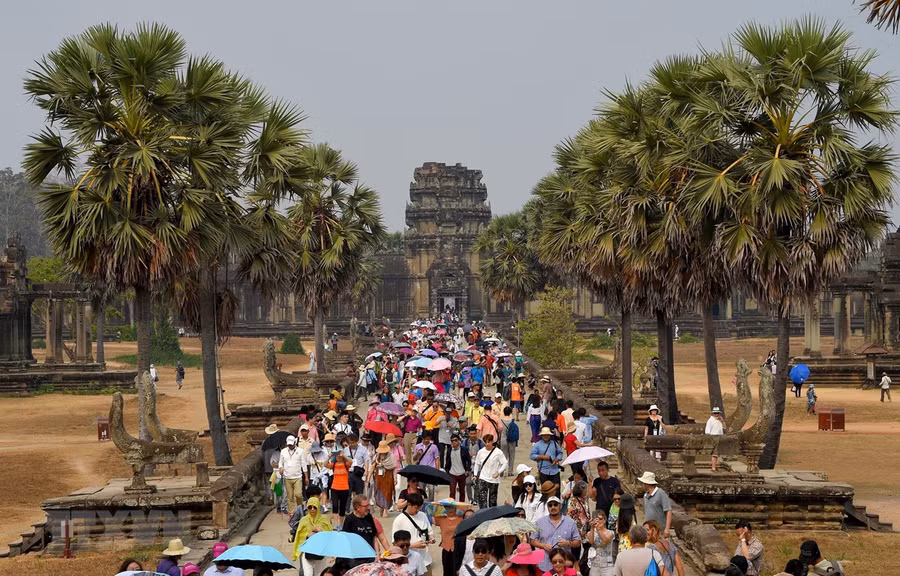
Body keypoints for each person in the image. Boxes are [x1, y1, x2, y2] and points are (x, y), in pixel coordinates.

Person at [529, 496, 581, 572]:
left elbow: (578, 542)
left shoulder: (570, 522)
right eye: (550, 505)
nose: (553, 507)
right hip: (545, 565)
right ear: (547, 507)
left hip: (564, 565)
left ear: (560, 506)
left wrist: (568, 543)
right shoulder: (539, 522)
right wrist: (543, 545)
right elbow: (532, 540)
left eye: (555, 504)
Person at [392, 493, 435, 575]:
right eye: (416, 508)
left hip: (425, 560)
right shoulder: (399, 520)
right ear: (409, 505)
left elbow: (429, 532)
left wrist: (431, 539)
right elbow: (395, 544)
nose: (418, 510)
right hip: (408, 563)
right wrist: (413, 545)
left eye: (420, 508)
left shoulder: (423, 516)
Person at [291, 497, 332, 574]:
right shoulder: (303, 520)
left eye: (315, 507)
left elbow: (330, 535)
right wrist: (307, 535)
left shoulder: (324, 519)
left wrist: (320, 531)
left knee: (320, 574)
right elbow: (299, 536)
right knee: (307, 574)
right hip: (307, 551)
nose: (312, 509)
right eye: (310, 507)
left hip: (321, 552)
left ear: (318, 507)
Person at [433, 500, 471, 576]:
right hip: (446, 548)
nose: (450, 510)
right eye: (447, 508)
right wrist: (438, 504)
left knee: (457, 570)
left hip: (458, 548)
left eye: (452, 508)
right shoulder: (441, 519)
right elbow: (432, 514)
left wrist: (457, 504)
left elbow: (468, 509)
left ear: (456, 508)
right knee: (446, 571)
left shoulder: (461, 519)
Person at [638, 472, 672, 539]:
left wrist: (667, 528)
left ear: (647, 484)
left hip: (659, 530)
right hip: (648, 531)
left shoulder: (661, 494)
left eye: (643, 483)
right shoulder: (645, 496)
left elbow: (668, 511)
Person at [531, 428, 564, 496]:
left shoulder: (554, 443)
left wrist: (557, 459)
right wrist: (542, 457)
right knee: (545, 491)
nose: (546, 436)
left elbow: (560, 453)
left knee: (557, 491)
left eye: (547, 435)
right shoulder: (537, 445)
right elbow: (532, 456)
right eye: (544, 435)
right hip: (543, 471)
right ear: (542, 436)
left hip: (554, 471)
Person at [326, 443, 352, 525]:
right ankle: (336, 524)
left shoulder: (345, 464)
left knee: (342, 507)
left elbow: (351, 462)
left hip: (344, 488)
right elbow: (325, 465)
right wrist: (329, 457)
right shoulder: (334, 465)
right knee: (335, 506)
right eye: (337, 455)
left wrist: (343, 455)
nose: (338, 457)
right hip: (335, 488)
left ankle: (341, 524)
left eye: (339, 455)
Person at [279, 435, 306, 511]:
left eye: (292, 444)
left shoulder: (300, 451)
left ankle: (300, 508)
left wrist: (306, 476)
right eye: (289, 444)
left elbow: (303, 464)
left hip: (297, 476)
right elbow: (280, 462)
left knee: (298, 495)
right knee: (290, 496)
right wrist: (281, 468)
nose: (290, 446)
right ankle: (291, 512)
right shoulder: (283, 451)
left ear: (295, 442)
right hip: (287, 477)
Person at [371, 440, 397, 516]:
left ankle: (386, 509)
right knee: (378, 492)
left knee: (387, 493)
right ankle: (381, 508)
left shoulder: (391, 456)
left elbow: (394, 467)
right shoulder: (376, 456)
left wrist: (395, 478)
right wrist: (368, 477)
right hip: (378, 478)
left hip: (388, 477)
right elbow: (373, 466)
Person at [586, 510, 615, 576]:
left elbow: (605, 540)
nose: (598, 521)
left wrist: (598, 529)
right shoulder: (590, 532)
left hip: (607, 566)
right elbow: (591, 541)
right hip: (594, 566)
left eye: (600, 519)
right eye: (596, 519)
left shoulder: (610, 533)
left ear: (604, 520)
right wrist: (592, 528)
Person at [444, 434, 472, 502]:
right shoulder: (449, 450)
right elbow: (447, 462)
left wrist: (467, 470)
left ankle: (461, 507)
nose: (454, 442)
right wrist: (447, 472)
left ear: (459, 441)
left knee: (462, 492)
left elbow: (469, 461)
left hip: (462, 474)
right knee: (452, 492)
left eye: (455, 440)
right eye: (452, 441)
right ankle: (452, 507)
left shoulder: (464, 450)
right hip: (452, 474)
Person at [463, 425, 485, 503]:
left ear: (476, 434)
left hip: (478, 466)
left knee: (477, 484)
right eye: (471, 434)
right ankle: (470, 499)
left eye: (474, 434)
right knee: (468, 483)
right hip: (468, 466)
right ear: (469, 434)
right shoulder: (465, 442)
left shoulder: (480, 443)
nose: (473, 435)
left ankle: (475, 499)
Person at [704, 407, 725, 472]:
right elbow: (707, 431)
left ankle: (714, 467)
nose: (716, 414)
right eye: (715, 413)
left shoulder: (719, 420)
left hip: (719, 438)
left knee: (716, 454)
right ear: (713, 413)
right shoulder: (710, 421)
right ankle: (713, 468)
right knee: (715, 454)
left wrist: (722, 421)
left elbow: (724, 427)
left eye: (717, 413)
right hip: (714, 438)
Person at [501, 407, 519, 476]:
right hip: (512, 440)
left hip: (503, 439)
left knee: (503, 456)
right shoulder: (513, 421)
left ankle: (502, 471)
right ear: (510, 412)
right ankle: (510, 471)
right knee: (512, 455)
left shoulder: (501, 421)